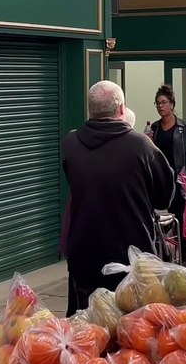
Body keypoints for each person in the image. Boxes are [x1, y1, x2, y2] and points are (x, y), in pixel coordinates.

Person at [63, 81, 174, 314]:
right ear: (122, 109)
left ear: (91, 110)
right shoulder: (141, 145)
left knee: (88, 325)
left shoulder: (71, 143)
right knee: (133, 326)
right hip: (131, 258)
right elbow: (164, 197)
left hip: (84, 256)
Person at [148, 84, 186, 268]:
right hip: (160, 178)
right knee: (159, 219)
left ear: (172, 104)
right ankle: (165, 253)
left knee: (177, 217)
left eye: (164, 102)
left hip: (179, 179)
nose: (160, 106)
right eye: (158, 103)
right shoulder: (155, 128)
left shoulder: (184, 127)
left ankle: (183, 255)